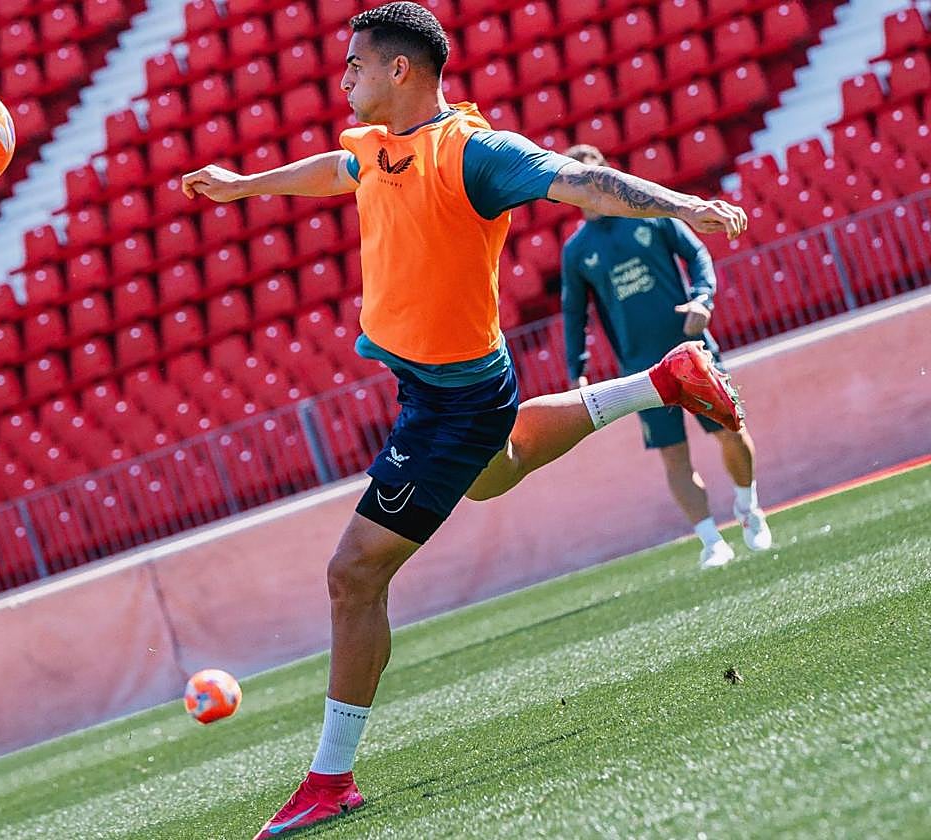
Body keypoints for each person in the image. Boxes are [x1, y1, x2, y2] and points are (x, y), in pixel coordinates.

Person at [180, 4, 748, 835]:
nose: (342, 80)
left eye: (354, 67)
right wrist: (243, 186)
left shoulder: (472, 151)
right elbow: (340, 171)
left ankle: (329, 779)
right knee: (498, 471)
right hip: (443, 387)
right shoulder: (377, 147)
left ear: (399, 71)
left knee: (353, 575)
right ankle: (665, 380)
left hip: (452, 399)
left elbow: (583, 182)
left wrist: (681, 206)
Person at [558, 144, 772, 569]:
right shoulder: (576, 250)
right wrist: (576, 369)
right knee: (674, 455)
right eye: (578, 181)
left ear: (611, 178)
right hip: (641, 369)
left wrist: (702, 300)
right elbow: (573, 312)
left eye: (596, 177)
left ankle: (749, 506)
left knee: (731, 430)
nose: (590, 187)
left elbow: (697, 254)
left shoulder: (650, 216)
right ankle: (711, 541)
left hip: (693, 351)